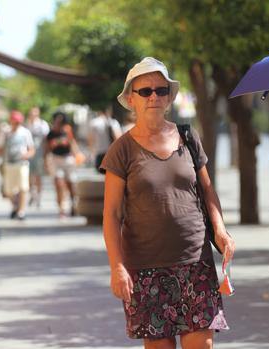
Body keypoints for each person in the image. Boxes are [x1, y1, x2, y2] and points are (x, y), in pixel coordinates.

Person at [100, 57, 235, 348]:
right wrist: (117, 267)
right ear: (131, 99)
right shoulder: (121, 150)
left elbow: (208, 191)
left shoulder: (188, 137)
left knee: (202, 344)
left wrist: (221, 230)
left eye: (161, 90)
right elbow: (111, 214)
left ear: (169, 97)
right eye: (145, 91)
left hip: (195, 261)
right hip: (146, 268)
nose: (153, 97)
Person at [0, 110, 35, 220]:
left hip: (22, 164)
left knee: (23, 188)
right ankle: (15, 206)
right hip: (8, 164)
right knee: (8, 191)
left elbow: (31, 149)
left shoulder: (25, 133)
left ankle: (21, 211)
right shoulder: (5, 133)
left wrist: (26, 155)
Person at [45, 111, 81, 218]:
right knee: (59, 184)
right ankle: (62, 208)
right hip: (56, 159)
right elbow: (47, 148)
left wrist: (77, 155)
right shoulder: (51, 134)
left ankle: (73, 204)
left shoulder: (67, 131)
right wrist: (45, 162)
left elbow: (73, 143)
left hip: (68, 159)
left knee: (71, 184)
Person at [25, 106, 50, 207]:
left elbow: (46, 141)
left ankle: (39, 197)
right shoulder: (26, 125)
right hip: (28, 154)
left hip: (39, 153)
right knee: (29, 176)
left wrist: (46, 155)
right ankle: (32, 194)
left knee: (39, 176)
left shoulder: (43, 125)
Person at [87, 107, 122, 173]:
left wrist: (91, 151)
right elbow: (118, 138)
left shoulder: (94, 123)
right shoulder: (113, 122)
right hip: (112, 154)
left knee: (101, 175)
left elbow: (90, 139)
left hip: (99, 153)